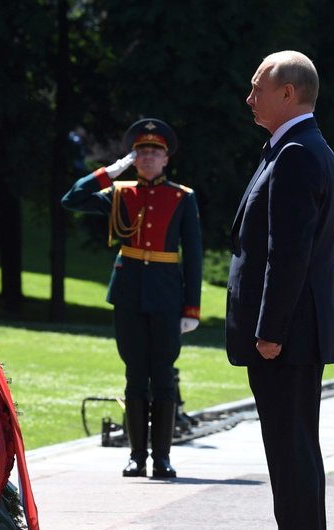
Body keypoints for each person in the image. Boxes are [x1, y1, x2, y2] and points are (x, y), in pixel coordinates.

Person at [225, 51, 334, 530]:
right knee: (294, 450)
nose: (250, 98)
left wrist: (269, 329)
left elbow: (286, 254)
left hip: (286, 338)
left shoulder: (296, 153)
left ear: (288, 94)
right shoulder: (297, 148)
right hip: (293, 335)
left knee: (291, 452)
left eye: (257, 88)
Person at [62, 118, 203, 479]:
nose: (147, 157)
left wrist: (191, 306)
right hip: (128, 295)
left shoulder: (182, 198)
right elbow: (71, 199)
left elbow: (195, 254)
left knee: (164, 376)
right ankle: (137, 457)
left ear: (166, 158)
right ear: (133, 157)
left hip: (167, 296)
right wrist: (109, 172)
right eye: (141, 152)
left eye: (154, 152)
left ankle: (163, 458)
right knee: (134, 375)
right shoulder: (120, 193)